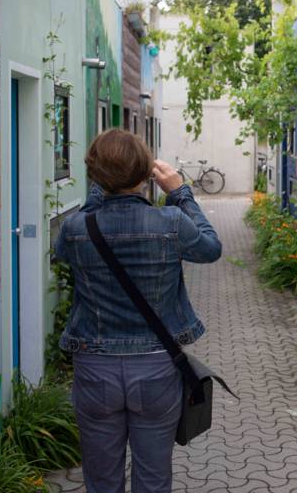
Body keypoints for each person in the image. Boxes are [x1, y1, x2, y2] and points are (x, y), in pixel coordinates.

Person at [54, 128, 221, 493]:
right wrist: (179, 193)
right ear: (147, 173)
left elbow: (63, 252)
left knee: (101, 479)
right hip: (156, 368)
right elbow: (210, 248)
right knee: (153, 475)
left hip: (95, 369)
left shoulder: (75, 228)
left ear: (94, 174)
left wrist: (102, 185)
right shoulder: (171, 222)